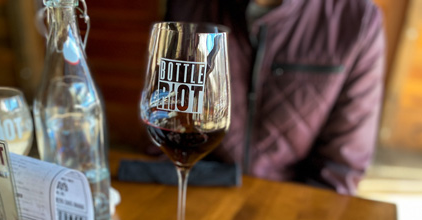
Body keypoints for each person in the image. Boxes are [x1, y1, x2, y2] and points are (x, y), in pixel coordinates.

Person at [164, 0, 386, 195]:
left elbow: (341, 169)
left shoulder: (357, 20)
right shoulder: (188, 5)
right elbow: (165, 113)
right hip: (198, 190)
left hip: (292, 204)